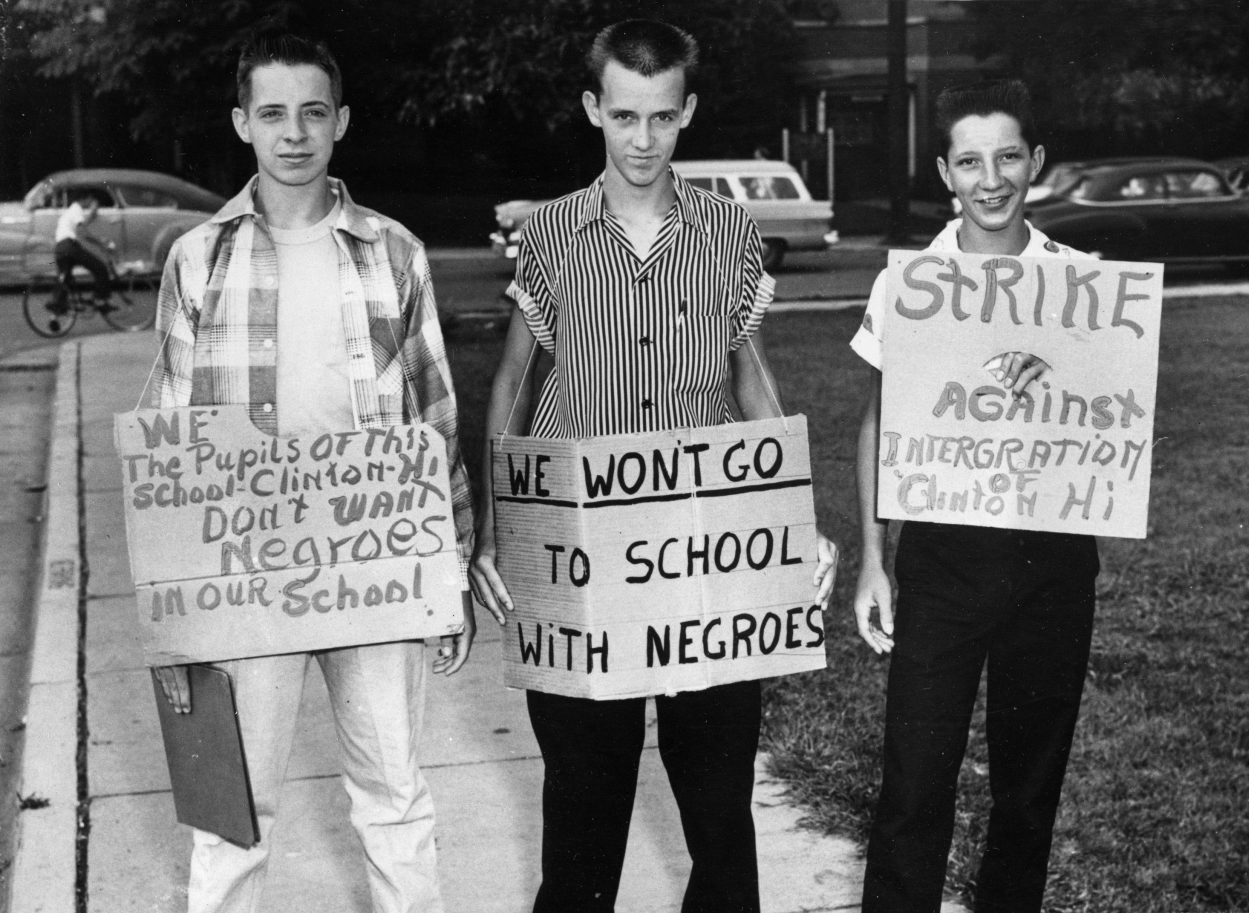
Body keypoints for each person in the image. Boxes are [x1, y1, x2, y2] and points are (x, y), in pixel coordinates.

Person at [467, 19, 839, 913]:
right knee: (582, 810)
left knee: (719, 810)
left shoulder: (731, 233)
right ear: (594, 108)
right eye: (625, 117)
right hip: (580, 550)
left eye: (662, 118)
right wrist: (492, 525)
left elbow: (748, 371)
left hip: (700, 548)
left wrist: (792, 519)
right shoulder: (552, 234)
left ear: (688, 113)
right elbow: (518, 377)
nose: (642, 140)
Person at [149, 31, 475, 913]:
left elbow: (433, 416)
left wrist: (446, 568)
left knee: (394, 794)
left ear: (341, 122)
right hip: (246, 564)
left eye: (312, 112)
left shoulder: (391, 250)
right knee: (233, 809)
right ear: (241, 124)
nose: (293, 133)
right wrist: (178, 601)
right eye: (272, 113)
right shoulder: (198, 257)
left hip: (376, 556)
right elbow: (169, 429)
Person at [850, 79, 1099, 913]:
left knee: (1028, 790)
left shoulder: (1082, 283)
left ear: (1036, 162)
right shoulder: (914, 283)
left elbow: (1107, 421)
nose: (989, 179)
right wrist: (873, 561)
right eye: (968, 161)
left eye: (1006, 158)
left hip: (1050, 559)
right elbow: (880, 424)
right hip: (945, 561)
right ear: (943, 172)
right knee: (915, 784)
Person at [51, 191, 113, 312]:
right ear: (87, 198)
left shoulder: (70, 211)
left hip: (60, 249)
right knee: (100, 268)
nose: (91, 203)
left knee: (66, 281)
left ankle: (55, 314)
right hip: (69, 247)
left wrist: (91, 215)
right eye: (91, 200)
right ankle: (99, 300)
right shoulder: (77, 209)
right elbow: (83, 232)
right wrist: (101, 242)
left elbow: (81, 226)